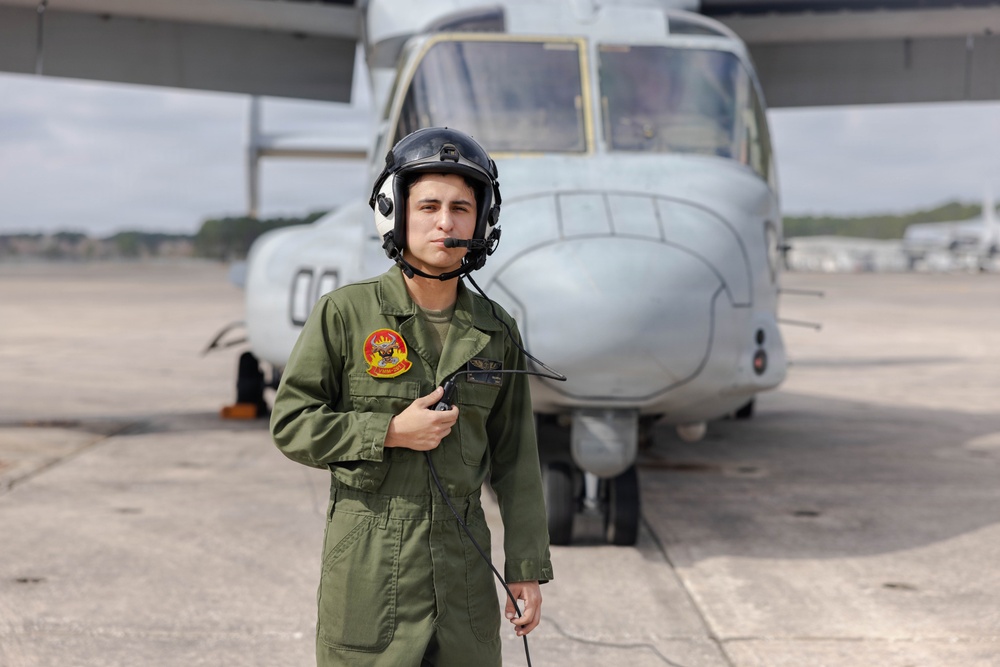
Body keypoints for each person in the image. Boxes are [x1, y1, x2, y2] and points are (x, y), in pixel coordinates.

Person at [270, 127, 553, 667]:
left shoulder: (496, 331)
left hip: (463, 570)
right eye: (427, 206)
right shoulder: (345, 314)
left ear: (483, 221)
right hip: (370, 567)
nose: (445, 222)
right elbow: (291, 423)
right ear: (394, 212)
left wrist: (525, 568)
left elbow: (517, 461)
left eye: (461, 208)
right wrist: (389, 431)